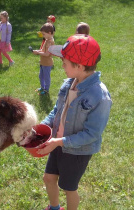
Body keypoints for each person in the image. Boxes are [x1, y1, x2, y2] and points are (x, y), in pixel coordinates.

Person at [38, 34, 112, 210]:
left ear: (79, 66)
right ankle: (54, 207)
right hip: (58, 143)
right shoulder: (70, 83)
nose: (61, 64)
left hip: (78, 150)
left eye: (64, 61)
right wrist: (42, 126)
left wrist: (59, 141)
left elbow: (92, 134)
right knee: (48, 178)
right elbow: (57, 111)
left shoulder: (99, 96)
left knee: (68, 188)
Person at [31, 23, 55, 95]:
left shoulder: (50, 42)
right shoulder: (47, 39)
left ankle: (46, 90)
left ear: (49, 33)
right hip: (43, 62)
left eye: (44, 34)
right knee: (41, 76)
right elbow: (42, 50)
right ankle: (42, 87)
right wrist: (36, 51)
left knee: (46, 77)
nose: (43, 36)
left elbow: (47, 54)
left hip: (47, 63)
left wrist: (38, 53)